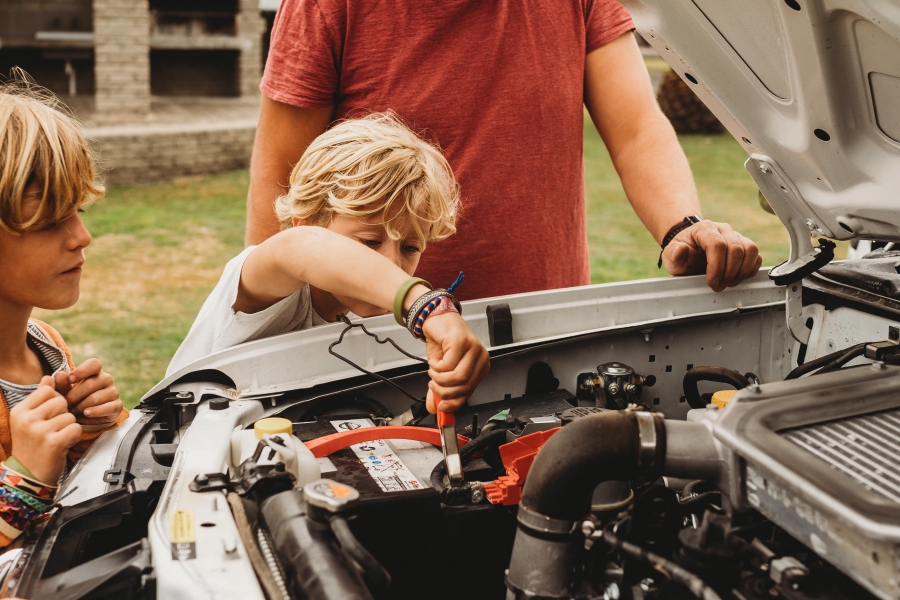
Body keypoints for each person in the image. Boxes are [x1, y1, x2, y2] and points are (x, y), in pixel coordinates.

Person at [246, 0, 762, 301]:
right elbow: (282, 180)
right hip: (374, 331)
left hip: (545, 322)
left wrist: (681, 226)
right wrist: (282, 326)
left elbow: (636, 129)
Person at [168, 113, 490, 413]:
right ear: (305, 223)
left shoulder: (375, 304)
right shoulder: (265, 280)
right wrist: (426, 305)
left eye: (409, 247)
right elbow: (299, 249)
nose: (392, 264)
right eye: (369, 242)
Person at [0, 76, 127, 548]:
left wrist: (87, 430)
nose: (81, 237)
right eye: (52, 221)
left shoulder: (46, 345)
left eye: (78, 212)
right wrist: (25, 475)